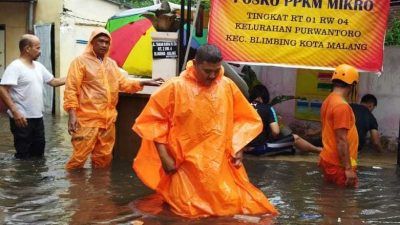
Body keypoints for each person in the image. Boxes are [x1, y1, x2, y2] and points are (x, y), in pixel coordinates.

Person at [132, 44, 278, 218]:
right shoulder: (174, 87)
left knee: (228, 208)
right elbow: (154, 121)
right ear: (195, 64)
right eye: (207, 70)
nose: (212, 75)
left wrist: (238, 147)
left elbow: (244, 118)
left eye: (216, 70)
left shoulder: (227, 86)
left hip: (218, 161)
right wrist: (164, 157)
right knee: (184, 212)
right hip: (184, 163)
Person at [63, 28, 163, 170]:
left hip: (108, 120)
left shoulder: (111, 64)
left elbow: (124, 84)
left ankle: (99, 190)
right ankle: (74, 189)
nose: (104, 45)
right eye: (100, 41)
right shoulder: (80, 62)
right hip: (86, 120)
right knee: (78, 159)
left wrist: (143, 82)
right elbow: (71, 89)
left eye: (107, 42)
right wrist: (72, 114)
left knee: (104, 159)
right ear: (92, 43)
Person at [0, 34, 65, 159]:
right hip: (21, 119)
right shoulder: (15, 66)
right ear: (27, 49)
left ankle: (34, 178)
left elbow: (54, 82)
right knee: (23, 156)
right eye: (38, 48)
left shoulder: (39, 67)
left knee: (39, 153)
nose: (40, 52)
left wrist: (76, 76)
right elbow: (2, 89)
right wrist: (15, 111)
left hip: (38, 118)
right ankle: (23, 177)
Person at [246, 84, 322, 155]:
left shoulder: (244, 107)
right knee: (295, 138)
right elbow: (275, 132)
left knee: (290, 149)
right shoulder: (268, 108)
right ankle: (318, 150)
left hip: (243, 148)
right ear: (262, 97)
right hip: (258, 149)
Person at [319, 64, 359, 187]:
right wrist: (348, 168)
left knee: (331, 198)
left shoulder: (328, 100)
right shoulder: (342, 106)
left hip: (329, 159)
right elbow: (341, 139)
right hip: (339, 164)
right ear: (352, 85)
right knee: (346, 202)